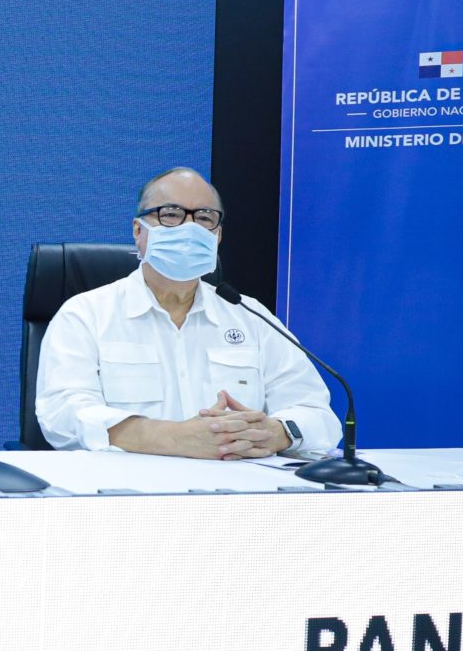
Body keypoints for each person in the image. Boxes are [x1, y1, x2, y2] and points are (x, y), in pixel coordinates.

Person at [34, 166, 336, 459]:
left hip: (238, 484)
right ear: (138, 231)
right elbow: (62, 415)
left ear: (218, 236)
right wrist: (174, 438)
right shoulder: (86, 314)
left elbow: (317, 414)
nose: (189, 228)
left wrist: (275, 433)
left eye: (204, 218)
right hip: (126, 487)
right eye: (171, 214)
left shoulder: (250, 316)